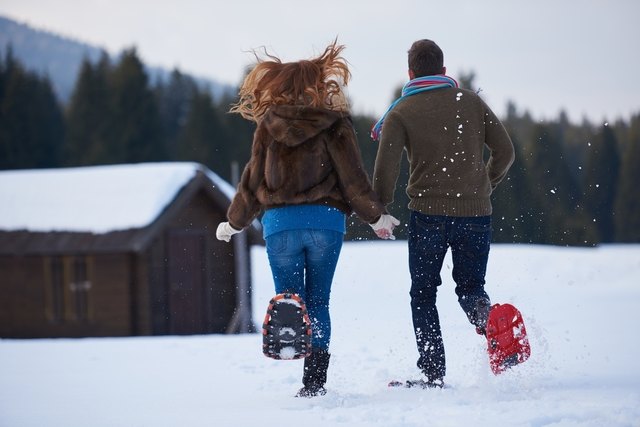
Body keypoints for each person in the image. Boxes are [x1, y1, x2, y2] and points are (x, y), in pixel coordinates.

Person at [216, 41, 400, 397]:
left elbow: (252, 180)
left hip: (280, 225)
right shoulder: (335, 124)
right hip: (325, 224)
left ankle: (288, 310)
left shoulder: (268, 127)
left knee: (292, 298)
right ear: (319, 83)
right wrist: (377, 217)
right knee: (319, 302)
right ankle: (313, 382)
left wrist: (235, 221)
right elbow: (353, 179)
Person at [371, 39, 515, 387]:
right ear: (444, 71)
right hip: (476, 214)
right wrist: (485, 185)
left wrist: (379, 211)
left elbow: (385, 170)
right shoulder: (471, 101)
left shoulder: (402, 111)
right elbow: (506, 151)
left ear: (410, 73)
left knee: (423, 292)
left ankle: (432, 372)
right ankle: (490, 321)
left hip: (427, 215)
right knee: (470, 287)